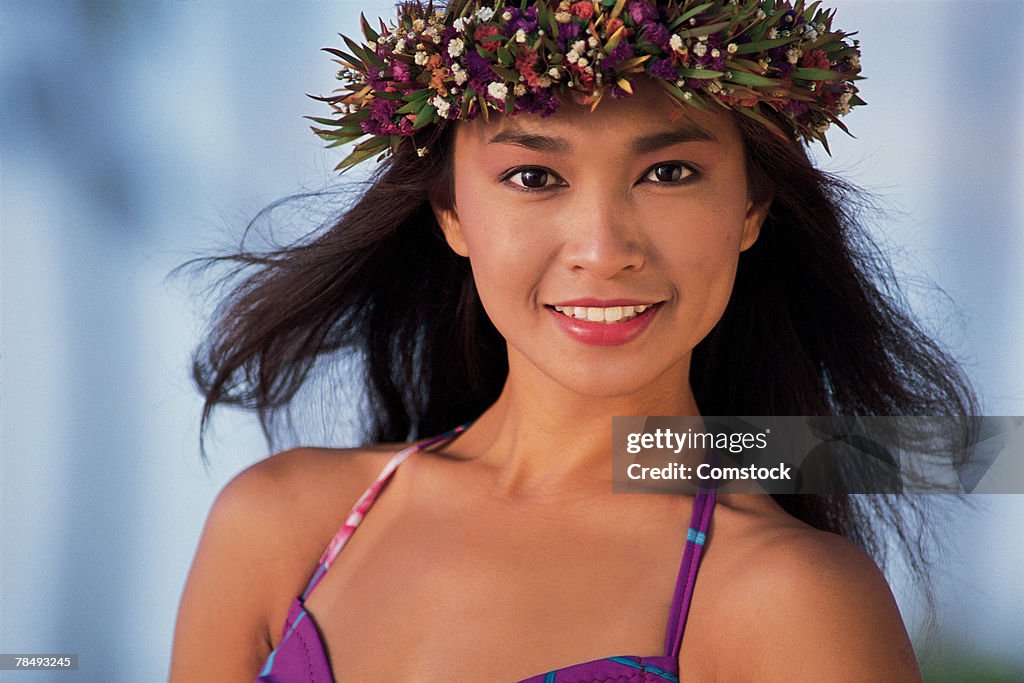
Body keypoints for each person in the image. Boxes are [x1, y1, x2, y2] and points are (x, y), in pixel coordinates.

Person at [171, 1, 975, 680]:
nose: (602, 246)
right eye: (533, 176)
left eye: (669, 173)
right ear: (451, 211)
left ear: (752, 209)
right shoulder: (277, 526)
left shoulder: (793, 600)